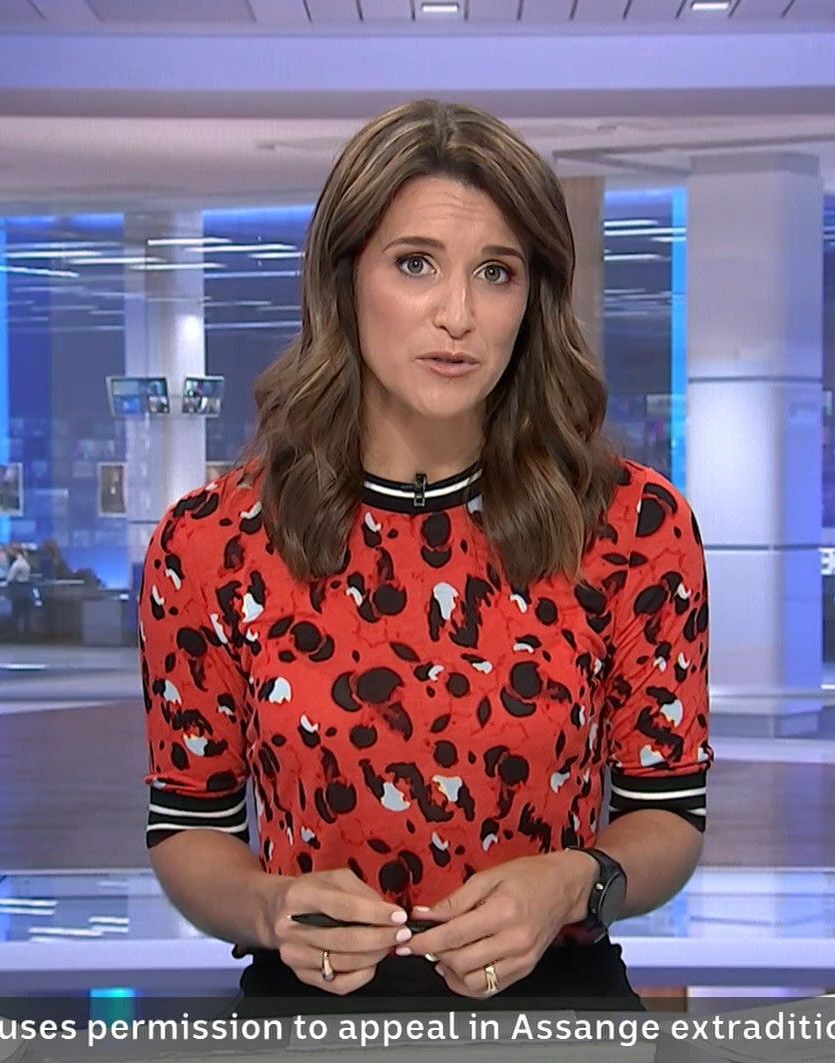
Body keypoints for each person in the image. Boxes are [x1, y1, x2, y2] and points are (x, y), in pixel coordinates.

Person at [139, 99, 711, 1013]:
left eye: (496, 273)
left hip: (556, 1019)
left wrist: (575, 882)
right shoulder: (212, 540)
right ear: (344, 279)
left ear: (533, 299)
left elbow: (670, 816)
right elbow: (188, 826)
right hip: (311, 1025)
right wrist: (271, 907)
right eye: (416, 264)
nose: (457, 316)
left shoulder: (633, 526)